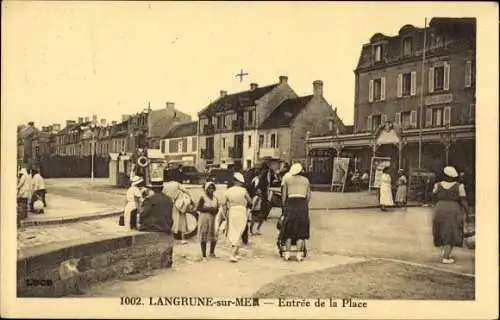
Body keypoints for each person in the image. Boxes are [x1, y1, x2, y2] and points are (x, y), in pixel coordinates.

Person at [432, 166, 471, 264]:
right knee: (452, 232)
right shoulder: (459, 186)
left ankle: (445, 251)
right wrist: (468, 214)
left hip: (439, 208)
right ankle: (446, 257)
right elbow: (463, 201)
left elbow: (433, 196)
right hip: (454, 209)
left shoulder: (437, 185)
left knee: (441, 230)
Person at [138, 178, 174, 268]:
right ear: (162, 188)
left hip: (155, 226)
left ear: (153, 189)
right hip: (166, 226)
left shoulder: (150, 200)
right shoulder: (169, 199)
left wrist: (140, 222)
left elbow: (143, 215)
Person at [280, 163, 311, 262]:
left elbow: (284, 196)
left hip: (291, 204)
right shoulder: (306, 181)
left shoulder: (287, 179)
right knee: (301, 230)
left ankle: (287, 254)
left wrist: (285, 207)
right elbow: (308, 195)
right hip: (302, 205)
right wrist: (304, 205)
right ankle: (299, 255)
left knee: (288, 230)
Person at [221, 172, 252, 263]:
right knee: (239, 231)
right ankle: (233, 254)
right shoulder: (243, 190)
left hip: (232, 211)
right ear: (240, 182)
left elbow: (223, 204)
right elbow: (250, 201)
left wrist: (225, 213)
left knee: (233, 231)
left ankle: (237, 253)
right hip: (241, 211)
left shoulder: (228, 191)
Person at [163, 173, 192, 244]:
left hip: (170, 205)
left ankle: (171, 238)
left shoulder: (164, 185)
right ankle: (183, 239)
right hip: (179, 205)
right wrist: (190, 197)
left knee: (171, 221)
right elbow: (186, 190)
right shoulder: (176, 184)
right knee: (182, 221)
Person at [196, 182, 220, 260]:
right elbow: (199, 208)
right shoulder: (203, 197)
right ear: (206, 189)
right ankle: (204, 255)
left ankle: (212, 252)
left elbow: (218, 209)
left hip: (213, 218)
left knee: (214, 235)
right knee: (204, 235)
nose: (211, 190)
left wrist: (215, 210)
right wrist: (208, 209)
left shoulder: (215, 198)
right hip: (204, 218)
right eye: (209, 188)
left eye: (212, 188)